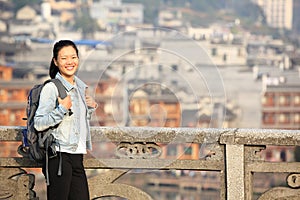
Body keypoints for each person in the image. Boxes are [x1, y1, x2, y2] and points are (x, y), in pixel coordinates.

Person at [34, 39, 97, 200]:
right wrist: (61, 109)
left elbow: (75, 123)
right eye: (64, 58)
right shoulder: (51, 88)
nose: (70, 62)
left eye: (73, 57)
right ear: (55, 61)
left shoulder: (80, 88)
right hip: (59, 156)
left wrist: (89, 109)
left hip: (77, 155)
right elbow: (39, 123)